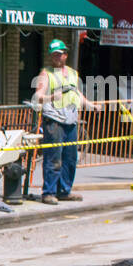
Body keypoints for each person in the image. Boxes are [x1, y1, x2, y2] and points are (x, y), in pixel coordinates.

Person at [32, 39, 98, 205]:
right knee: (54, 158)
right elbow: (38, 96)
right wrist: (52, 97)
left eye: (59, 54)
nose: (57, 58)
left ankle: (64, 191)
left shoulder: (73, 73)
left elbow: (77, 95)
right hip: (54, 121)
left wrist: (90, 105)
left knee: (70, 158)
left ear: (65, 55)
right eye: (54, 55)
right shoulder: (45, 73)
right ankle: (49, 192)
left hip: (70, 121)